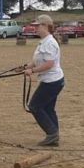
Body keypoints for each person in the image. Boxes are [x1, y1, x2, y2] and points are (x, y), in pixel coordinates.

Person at [19, 14, 65, 147]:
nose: (35, 28)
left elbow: (49, 64)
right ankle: (54, 134)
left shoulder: (49, 43)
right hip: (52, 80)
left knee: (35, 106)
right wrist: (26, 67)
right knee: (48, 108)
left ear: (45, 26)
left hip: (52, 81)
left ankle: (52, 134)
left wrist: (32, 71)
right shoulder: (44, 41)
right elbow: (37, 60)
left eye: (37, 26)